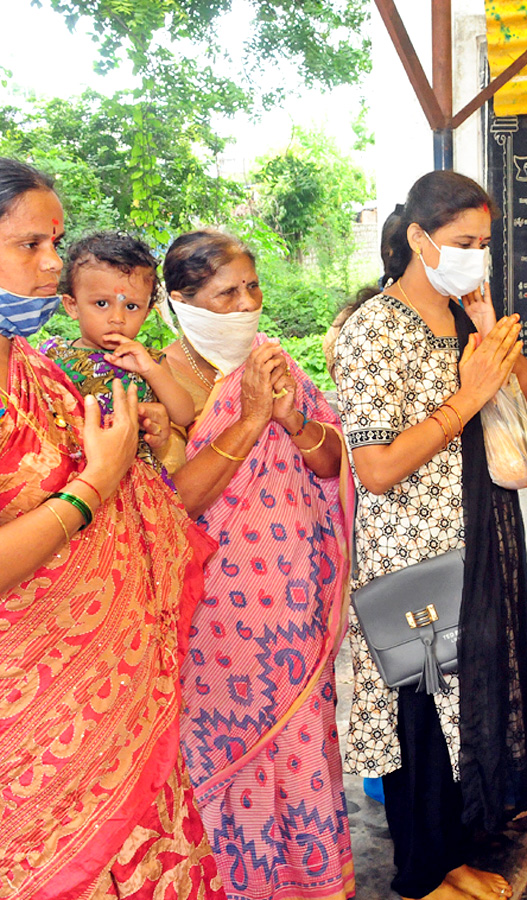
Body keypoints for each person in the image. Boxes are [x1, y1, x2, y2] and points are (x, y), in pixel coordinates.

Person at [0, 159, 224, 897]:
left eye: (53, 243)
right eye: (29, 245)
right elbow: (93, 486)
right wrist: (97, 481)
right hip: (33, 723)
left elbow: (147, 463)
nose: (47, 264)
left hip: (117, 697)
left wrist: (141, 437)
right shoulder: (62, 363)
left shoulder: (37, 372)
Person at [334, 170, 527, 900]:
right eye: (462, 243)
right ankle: (427, 870)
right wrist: (467, 396)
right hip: (411, 553)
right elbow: (377, 468)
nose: (476, 256)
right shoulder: (372, 332)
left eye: (485, 243)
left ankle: (458, 849)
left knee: (471, 699)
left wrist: (490, 335)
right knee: (420, 711)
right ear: (419, 240)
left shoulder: (462, 317)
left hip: (480, 536)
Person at [162, 229, 354, 900]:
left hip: (295, 608)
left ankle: (308, 884)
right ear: (183, 304)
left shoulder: (277, 365)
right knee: (221, 761)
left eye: (252, 288)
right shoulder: (158, 383)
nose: (247, 304)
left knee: (301, 745)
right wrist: (247, 421)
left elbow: (331, 465)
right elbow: (171, 505)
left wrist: (292, 418)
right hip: (213, 624)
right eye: (225, 294)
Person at [42, 231, 194, 476]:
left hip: (133, 478)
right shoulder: (52, 356)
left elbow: (184, 414)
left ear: (146, 313)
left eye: (131, 307)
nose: (117, 318)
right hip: (68, 474)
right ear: (72, 306)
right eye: (102, 303)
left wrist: (150, 371)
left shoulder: (150, 361)